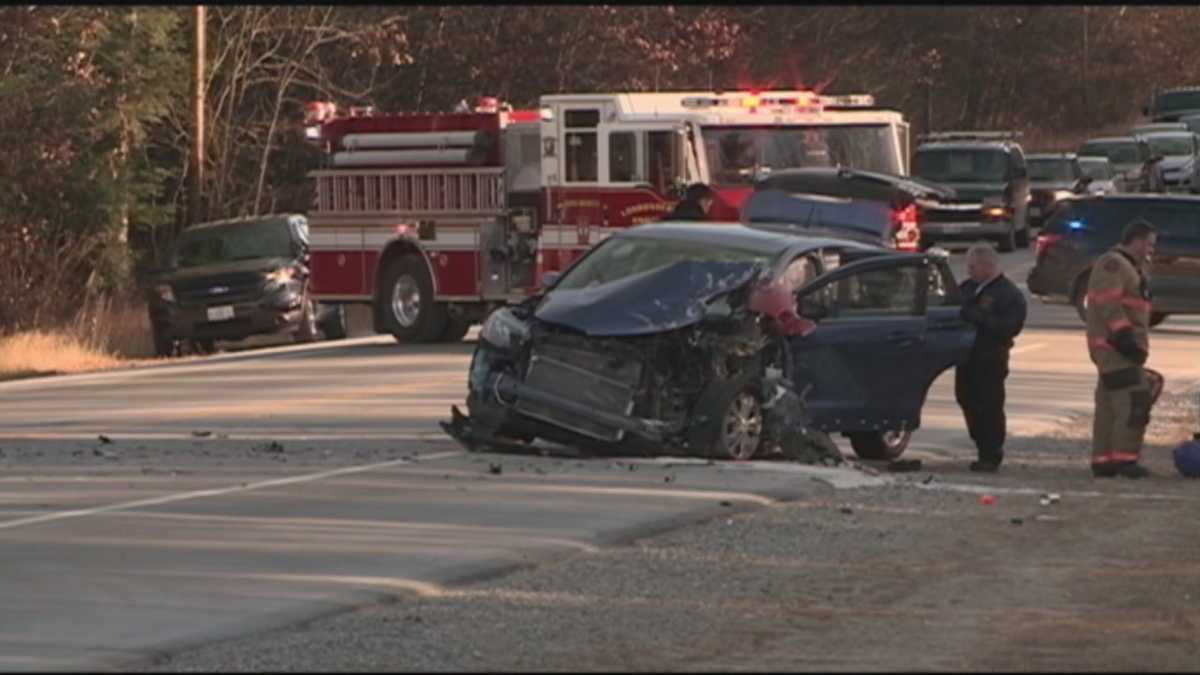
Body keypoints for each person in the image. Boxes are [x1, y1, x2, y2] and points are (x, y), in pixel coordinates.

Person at [1086, 219, 1159, 478]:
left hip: (1114, 347)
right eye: (1148, 244)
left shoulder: (1129, 266)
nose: (1150, 249)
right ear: (1135, 240)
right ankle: (1124, 459)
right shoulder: (1115, 265)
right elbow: (1108, 303)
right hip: (1116, 347)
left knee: (1109, 403)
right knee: (1134, 401)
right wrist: (1125, 337)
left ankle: (1103, 459)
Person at [955, 244, 1027, 473]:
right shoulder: (968, 288)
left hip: (991, 357)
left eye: (973, 266)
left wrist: (980, 317)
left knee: (989, 405)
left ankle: (991, 452)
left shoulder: (1008, 294)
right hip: (967, 357)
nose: (969, 271)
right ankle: (980, 444)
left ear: (988, 265)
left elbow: (1009, 327)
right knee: (966, 398)